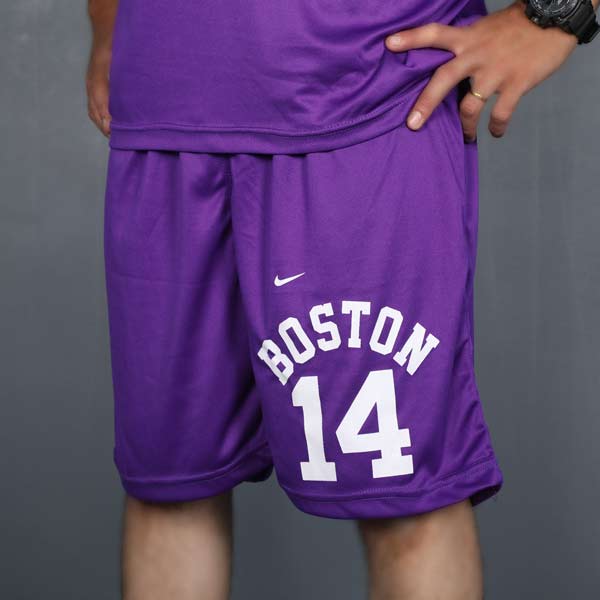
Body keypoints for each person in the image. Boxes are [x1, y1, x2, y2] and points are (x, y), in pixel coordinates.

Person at [86, 1, 598, 598]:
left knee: (405, 499)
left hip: (361, 97)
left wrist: (560, 13)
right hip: (164, 108)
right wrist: (108, 27)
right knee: (171, 487)